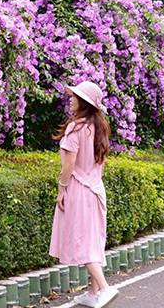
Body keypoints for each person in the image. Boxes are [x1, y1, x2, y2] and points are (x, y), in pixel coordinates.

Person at [48, 80, 119, 308]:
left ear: (84, 102)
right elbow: (101, 163)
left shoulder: (75, 128)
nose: (70, 99)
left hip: (79, 190)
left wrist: (62, 188)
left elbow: (68, 165)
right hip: (96, 189)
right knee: (93, 239)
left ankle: (105, 288)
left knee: (82, 241)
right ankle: (92, 292)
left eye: (74, 96)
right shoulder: (99, 128)